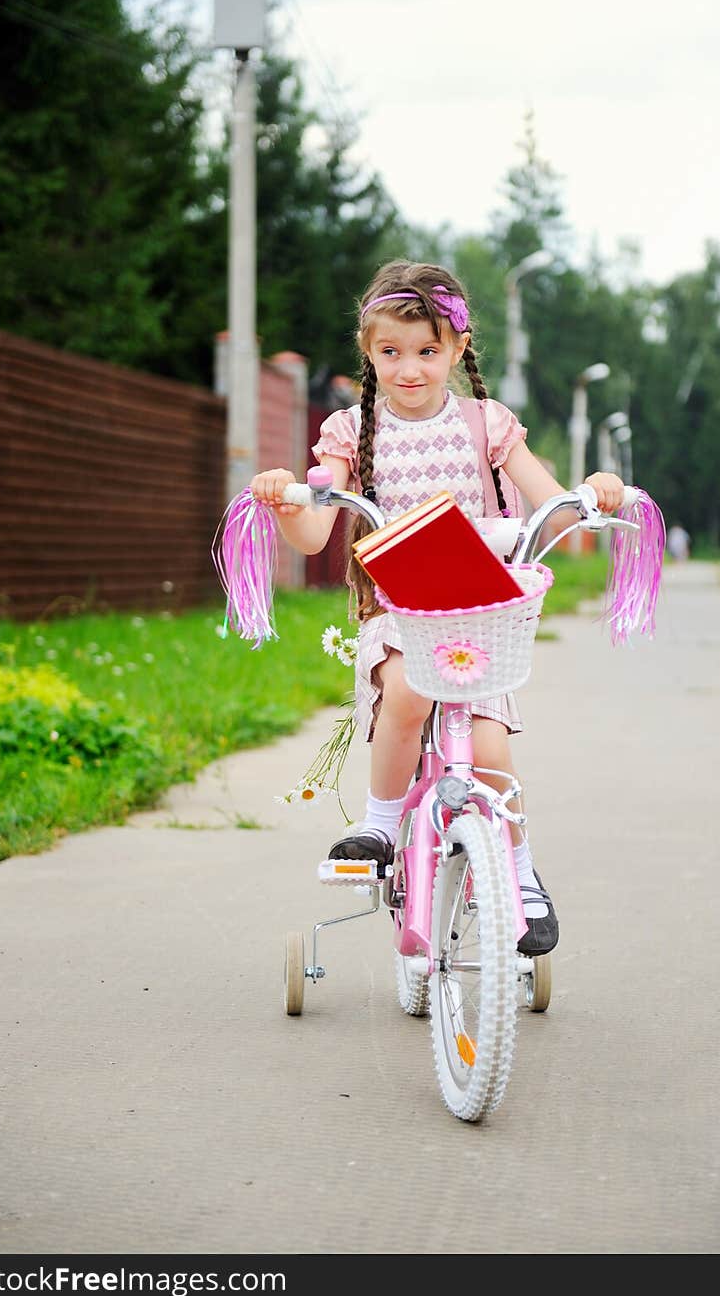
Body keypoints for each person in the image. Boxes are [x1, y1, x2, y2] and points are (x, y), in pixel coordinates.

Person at [250, 260, 624, 956]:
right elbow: (311, 531)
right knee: (408, 690)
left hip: (479, 614)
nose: (410, 369)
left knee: (489, 751)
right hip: (398, 612)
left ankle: (517, 873)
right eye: (391, 352)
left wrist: (593, 491)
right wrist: (287, 502)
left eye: (427, 351)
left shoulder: (486, 423)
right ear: (369, 352)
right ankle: (381, 824)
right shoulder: (349, 432)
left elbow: (552, 505)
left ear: (457, 348)